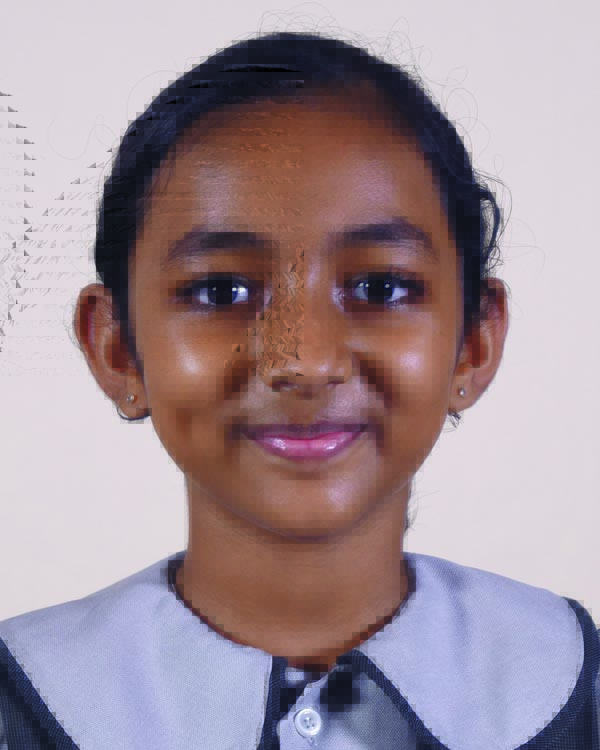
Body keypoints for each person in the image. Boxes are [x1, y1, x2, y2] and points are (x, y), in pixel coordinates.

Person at [0, 31, 598, 750]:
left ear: (473, 341)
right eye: (221, 290)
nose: (304, 362)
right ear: (118, 349)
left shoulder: (575, 690)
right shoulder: (23, 704)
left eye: (381, 287)